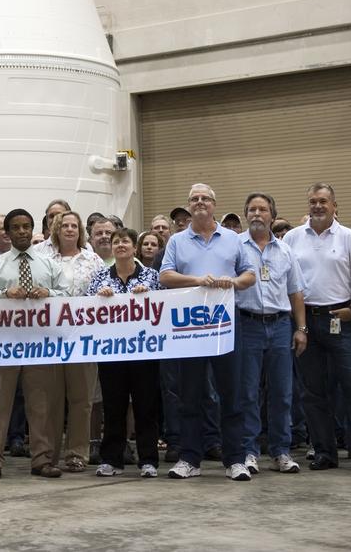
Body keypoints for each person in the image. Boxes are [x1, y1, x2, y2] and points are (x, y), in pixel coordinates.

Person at [283, 183, 351, 473]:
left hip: (339, 319)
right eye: (313, 202)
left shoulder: (348, 237)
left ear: (334, 205)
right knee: (313, 392)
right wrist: (299, 325)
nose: (317, 206)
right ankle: (324, 452)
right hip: (305, 321)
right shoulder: (292, 238)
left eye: (323, 202)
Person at [159, 184, 256, 481]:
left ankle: (235, 459)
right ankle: (190, 458)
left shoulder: (233, 239)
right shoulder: (177, 240)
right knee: (190, 394)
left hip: (225, 323)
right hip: (189, 326)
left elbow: (250, 275)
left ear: (214, 204)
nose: (200, 203)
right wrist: (197, 280)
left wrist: (233, 282)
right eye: (194, 199)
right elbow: (165, 276)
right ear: (189, 206)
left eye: (205, 199)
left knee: (232, 392)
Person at [0, 209, 68, 479]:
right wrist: (4, 293)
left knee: (42, 404)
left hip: (39, 344)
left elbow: (68, 295)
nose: (22, 231)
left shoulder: (49, 264)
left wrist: (48, 293)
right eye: (15, 227)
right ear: (7, 232)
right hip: (3, 344)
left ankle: (42, 458)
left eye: (27, 226)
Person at [237, 192, 305, 474]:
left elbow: (296, 291)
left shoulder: (286, 250)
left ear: (272, 216)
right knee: (248, 392)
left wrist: (301, 328)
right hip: (247, 324)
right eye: (251, 209)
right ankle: (249, 451)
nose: (256, 214)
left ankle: (281, 451)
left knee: (282, 392)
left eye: (262, 209)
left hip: (280, 325)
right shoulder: (235, 247)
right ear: (245, 215)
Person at [89, 228, 163, 477]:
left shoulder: (152, 276)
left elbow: (165, 309)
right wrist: (99, 299)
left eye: (125, 241)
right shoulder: (100, 278)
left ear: (135, 248)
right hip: (111, 353)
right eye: (116, 241)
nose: (120, 245)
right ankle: (112, 459)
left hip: (144, 352)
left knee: (145, 406)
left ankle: (149, 460)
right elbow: (87, 311)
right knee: (114, 407)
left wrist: (149, 296)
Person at [46, 210, 104, 472]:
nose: (70, 229)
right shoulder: (42, 256)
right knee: (52, 397)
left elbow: (105, 291)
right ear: (56, 229)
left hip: (84, 338)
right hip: (50, 338)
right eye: (65, 225)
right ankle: (50, 452)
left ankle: (77, 453)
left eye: (74, 226)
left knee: (82, 399)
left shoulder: (93, 260)